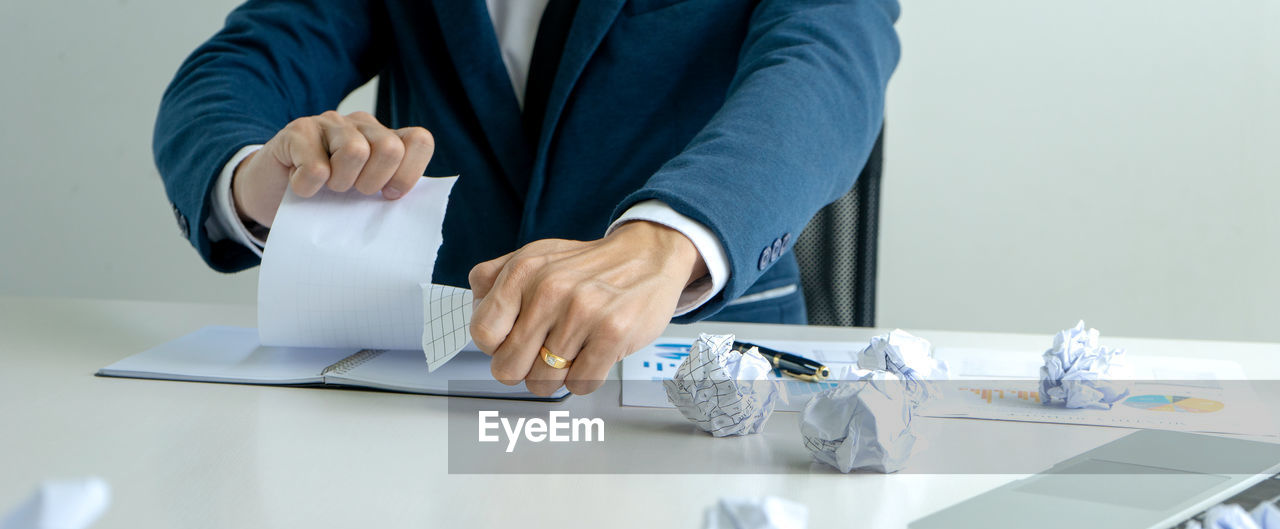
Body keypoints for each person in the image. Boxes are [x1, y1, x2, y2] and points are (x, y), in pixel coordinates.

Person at [154, 0, 900, 395]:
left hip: (697, 385)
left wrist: (664, 242)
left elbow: (827, 66)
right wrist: (256, 180)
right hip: (439, 377)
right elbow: (243, 66)